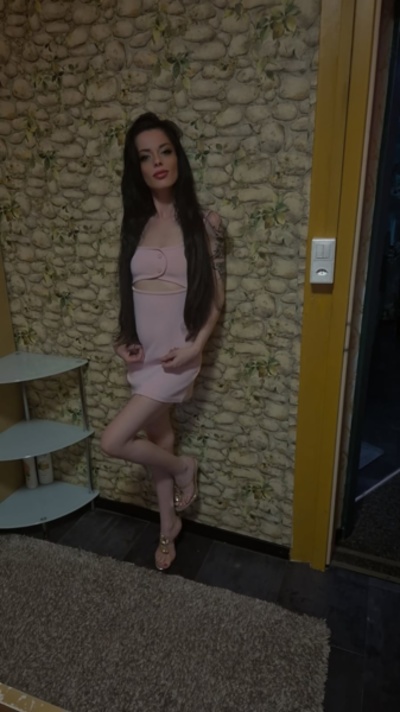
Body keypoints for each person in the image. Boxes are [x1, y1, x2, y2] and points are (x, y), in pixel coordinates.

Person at [101, 112, 225, 571]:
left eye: (165, 151)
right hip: (144, 357)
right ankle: (168, 528)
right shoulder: (136, 223)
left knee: (113, 440)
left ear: (178, 158)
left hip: (177, 356)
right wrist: (124, 341)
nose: (157, 162)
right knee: (161, 437)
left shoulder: (206, 222)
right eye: (145, 156)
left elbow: (217, 300)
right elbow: (130, 290)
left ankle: (182, 468)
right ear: (136, 168)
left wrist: (198, 347)